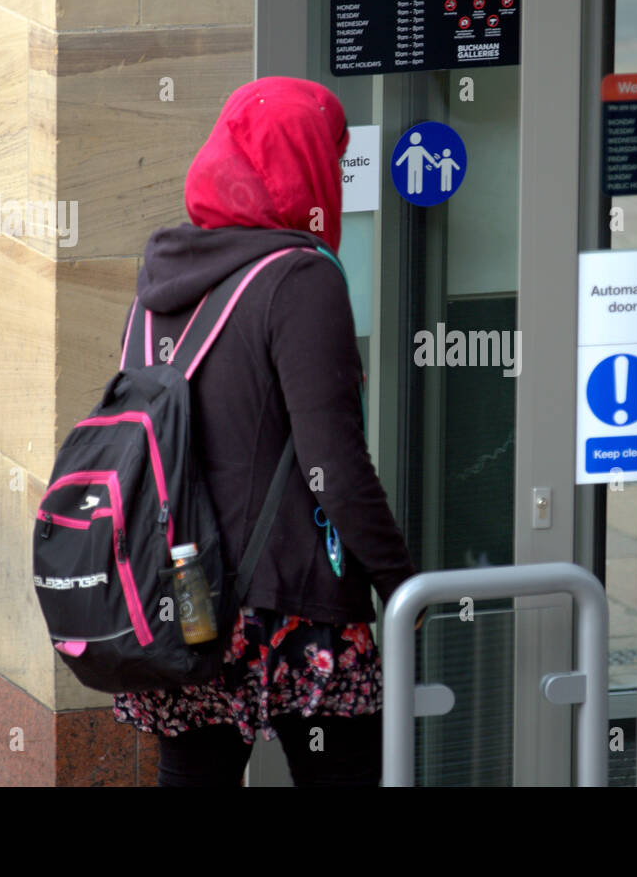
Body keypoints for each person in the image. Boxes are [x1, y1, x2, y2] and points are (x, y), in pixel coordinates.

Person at [111, 76, 417, 787]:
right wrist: (403, 584)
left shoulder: (163, 279)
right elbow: (333, 466)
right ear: (300, 163)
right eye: (333, 162)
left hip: (186, 598)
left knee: (194, 776)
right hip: (290, 607)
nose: (337, 179)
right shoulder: (299, 279)